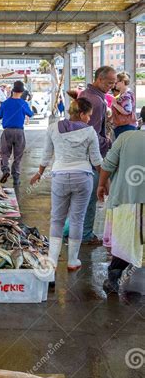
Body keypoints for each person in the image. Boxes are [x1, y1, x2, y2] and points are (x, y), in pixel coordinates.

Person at [30, 97, 102, 272]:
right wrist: (104, 181)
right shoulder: (90, 131)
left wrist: (39, 173)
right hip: (83, 177)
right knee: (77, 219)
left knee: (57, 219)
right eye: (88, 115)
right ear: (82, 113)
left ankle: (52, 261)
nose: (89, 119)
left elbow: (46, 154)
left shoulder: (53, 128)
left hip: (60, 177)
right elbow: (97, 160)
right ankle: (72, 261)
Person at [63, 66, 117, 245]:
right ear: (99, 79)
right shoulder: (96, 101)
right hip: (90, 159)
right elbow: (90, 134)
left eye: (114, 83)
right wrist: (107, 142)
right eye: (109, 83)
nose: (112, 86)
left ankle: (71, 231)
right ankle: (85, 235)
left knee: (80, 198)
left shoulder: (86, 95)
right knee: (91, 198)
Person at [98, 130, 145, 293]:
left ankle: (113, 278)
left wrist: (101, 185)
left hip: (126, 200)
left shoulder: (126, 137)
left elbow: (107, 164)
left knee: (125, 241)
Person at [0, 80, 34, 186]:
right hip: (19, 132)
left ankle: (5, 170)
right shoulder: (23, 103)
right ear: (21, 92)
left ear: (12, 91)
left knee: (4, 154)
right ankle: (16, 178)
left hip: (7, 131)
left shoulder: (6, 103)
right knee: (18, 156)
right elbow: (31, 114)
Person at [111, 72, 137, 138]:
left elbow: (127, 111)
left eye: (116, 82)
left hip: (126, 127)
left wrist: (115, 104)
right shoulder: (122, 95)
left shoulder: (127, 95)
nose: (114, 84)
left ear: (122, 82)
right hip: (123, 126)